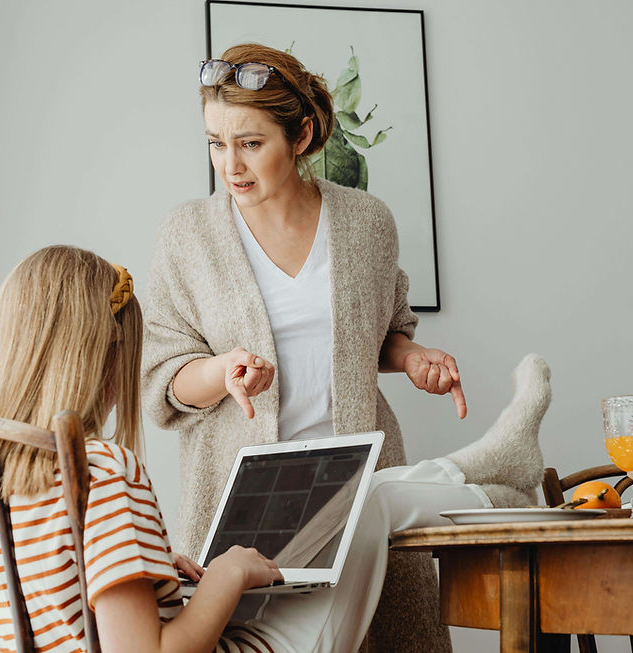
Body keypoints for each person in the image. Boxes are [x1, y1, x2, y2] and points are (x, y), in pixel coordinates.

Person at [0, 245, 552, 653]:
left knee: (367, 495)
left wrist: (164, 576)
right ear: (100, 360)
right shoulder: (99, 469)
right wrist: (228, 575)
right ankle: (495, 477)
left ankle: (494, 471)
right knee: (358, 502)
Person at [141, 43, 538, 650]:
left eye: (251, 143)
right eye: (217, 143)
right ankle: (495, 471)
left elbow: (382, 332)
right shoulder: (188, 234)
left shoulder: (365, 222)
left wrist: (411, 359)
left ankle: (497, 471)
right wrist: (222, 371)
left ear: (300, 137)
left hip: (357, 479)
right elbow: (162, 378)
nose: (231, 164)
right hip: (247, 501)